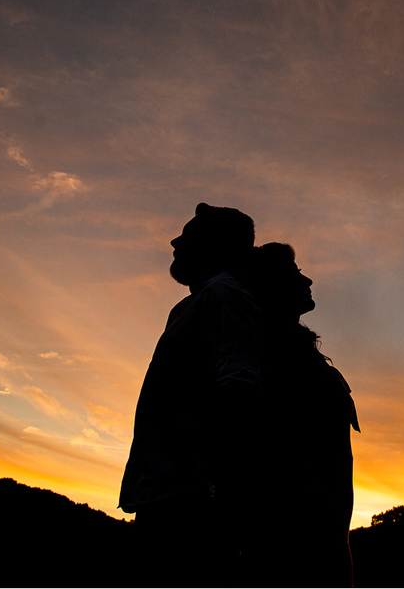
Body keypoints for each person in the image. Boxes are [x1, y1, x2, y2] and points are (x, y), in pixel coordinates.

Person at [119, 203, 264, 586]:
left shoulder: (224, 294)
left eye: (188, 235)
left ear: (216, 245)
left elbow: (239, 385)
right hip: (169, 492)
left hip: (190, 500)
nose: (174, 240)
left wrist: (221, 491)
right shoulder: (194, 303)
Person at [247, 242, 360, 588]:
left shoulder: (298, 350)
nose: (308, 279)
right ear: (270, 286)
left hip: (328, 529)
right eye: (295, 273)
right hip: (296, 538)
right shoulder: (269, 355)